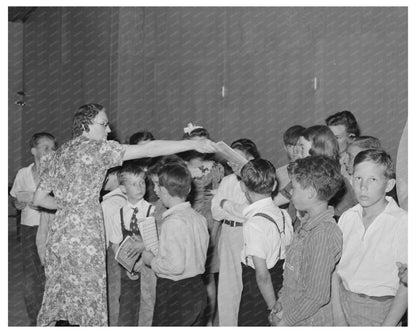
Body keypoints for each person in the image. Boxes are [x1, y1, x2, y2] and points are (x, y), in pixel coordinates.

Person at [33, 103, 216, 326]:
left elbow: (39, 199)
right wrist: (192, 143)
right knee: (89, 307)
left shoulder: (58, 155)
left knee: (61, 301)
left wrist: (70, 206)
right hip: (84, 238)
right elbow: (149, 149)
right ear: (86, 125)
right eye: (104, 124)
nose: (108, 130)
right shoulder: (97, 149)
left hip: (59, 237)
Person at [331, 149, 408, 326]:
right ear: (351, 180)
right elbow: (334, 271)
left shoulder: (402, 223)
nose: (363, 187)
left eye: (372, 179)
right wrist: (338, 317)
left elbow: (407, 286)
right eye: (358, 178)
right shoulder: (347, 217)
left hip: (380, 310)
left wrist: (388, 326)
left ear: (389, 185)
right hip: (342, 303)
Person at [270, 155, 344, 326]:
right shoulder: (306, 225)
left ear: (310, 193)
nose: (291, 193)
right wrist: (282, 300)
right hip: (294, 311)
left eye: (294, 188)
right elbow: (293, 274)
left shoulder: (322, 234)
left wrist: (285, 322)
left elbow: (317, 295)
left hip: (310, 321)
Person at [142, 163, 209, 326]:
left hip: (175, 293)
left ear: (163, 190)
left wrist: (150, 260)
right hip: (197, 288)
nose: (155, 190)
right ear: (188, 189)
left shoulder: (172, 222)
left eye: (157, 185)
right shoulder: (198, 218)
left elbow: (175, 266)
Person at [237, 159, 293, 326]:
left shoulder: (254, 224)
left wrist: (272, 308)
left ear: (243, 187)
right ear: (274, 185)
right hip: (281, 284)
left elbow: (262, 276)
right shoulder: (284, 214)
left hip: (258, 293)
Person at [9, 132, 57, 326]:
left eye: (53, 148)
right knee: (31, 280)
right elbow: (15, 198)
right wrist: (17, 204)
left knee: (52, 277)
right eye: (46, 148)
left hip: (54, 229)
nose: (50, 151)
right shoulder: (23, 173)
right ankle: (36, 322)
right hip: (29, 229)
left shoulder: (58, 171)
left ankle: (55, 319)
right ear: (33, 151)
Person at [211, 138, 260, 326]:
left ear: (251, 159)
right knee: (226, 287)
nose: (233, 163)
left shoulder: (255, 182)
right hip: (227, 234)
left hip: (245, 235)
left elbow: (248, 212)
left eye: (238, 158)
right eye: (230, 158)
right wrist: (229, 207)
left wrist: (225, 204)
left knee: (244, 285)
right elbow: (216, 211)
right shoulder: (227, 180)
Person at [181, 123, 224, 325]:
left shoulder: (216, 168)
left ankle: (207, 323)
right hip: (187, 222)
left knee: (208, 276)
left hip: (210, 224)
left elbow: (220, 196)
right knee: (188, 274)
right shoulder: (181, 168)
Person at [106, 162, 154, 326]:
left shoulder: (152, 211)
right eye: (134, 184)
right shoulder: (117, 215)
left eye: (142, 182)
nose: (140, 187)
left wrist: (143, 262)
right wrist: (128, 266)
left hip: (149, 267)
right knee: (127, 306)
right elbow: (115, 245)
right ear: (123, 189)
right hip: (127, 270)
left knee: (148, 307)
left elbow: (156, 243)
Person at [101, 166, 126, 326]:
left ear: (117, 175)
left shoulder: (108, 204)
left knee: (111, 297)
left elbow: (104, 240)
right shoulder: (125, 197)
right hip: (125, 251)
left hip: (112, 253)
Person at [325, 110, 360, 177]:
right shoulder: (323, 159)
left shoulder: (356, 165)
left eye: (336, 137)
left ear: (351, 138)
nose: (329, 141)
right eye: (328, 136)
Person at [276, 125, 305, 192]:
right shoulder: (278, 175)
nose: (295, 150)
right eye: (290, 146)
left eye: (299, 145)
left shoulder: (315, 170)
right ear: (285, 148)